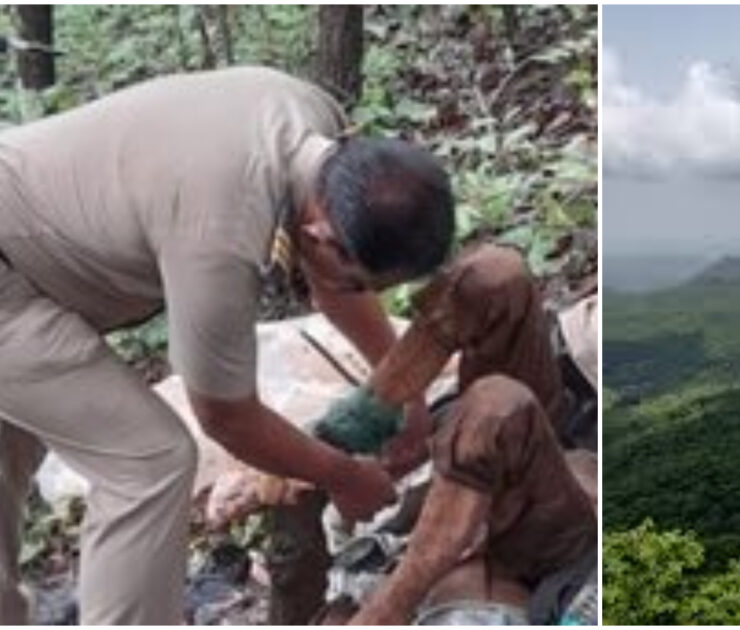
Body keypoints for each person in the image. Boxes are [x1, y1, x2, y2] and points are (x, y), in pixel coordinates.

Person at [0, 66, 455, 624]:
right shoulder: (222, 230)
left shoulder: (314, 128)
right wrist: (343, 476)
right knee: (149, 465)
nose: (364, 296)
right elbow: (225, 415)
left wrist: (402, 386)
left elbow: (331, 282)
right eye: (361, 280)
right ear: (322, 237)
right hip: (9, 275)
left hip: (23, 246)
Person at [305, 244, 598, 625]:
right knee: (491, 275)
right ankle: (357, 423)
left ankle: (386, 612)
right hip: (562, 444)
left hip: (558, 523)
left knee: (493, 408)